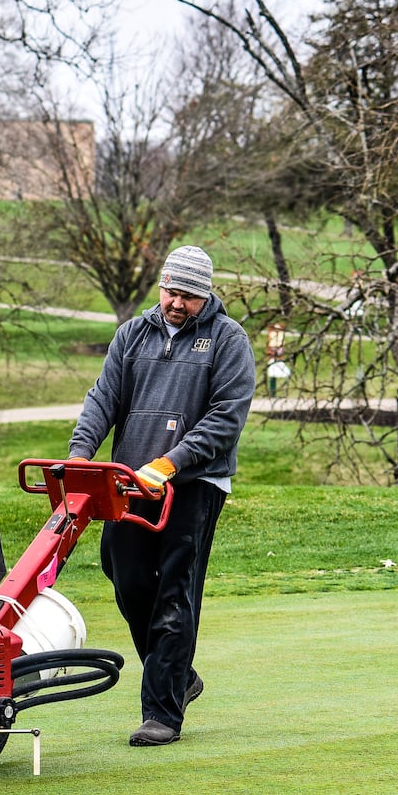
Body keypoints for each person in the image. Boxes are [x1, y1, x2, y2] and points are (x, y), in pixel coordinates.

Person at [68, 244, 256, 746]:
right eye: (172, 291)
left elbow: (226, 418)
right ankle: (180, 674)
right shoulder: (134, 333)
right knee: (124, 574)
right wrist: (81, 455)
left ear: (206, 295)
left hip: (193, 484)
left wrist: (172, 463)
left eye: (190, 296)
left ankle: (162, 713)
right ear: (161, 286)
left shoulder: (227, 340)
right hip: (131, 481)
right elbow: (103, 397)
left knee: (176, 588)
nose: (177, 303)